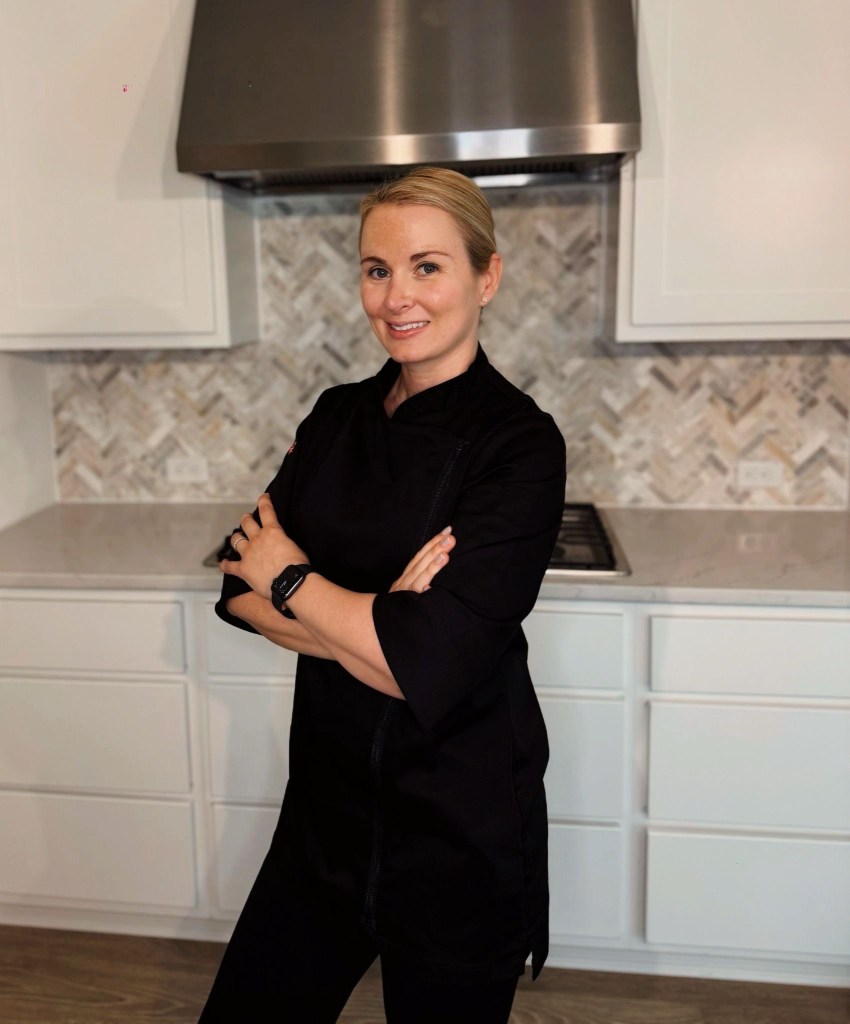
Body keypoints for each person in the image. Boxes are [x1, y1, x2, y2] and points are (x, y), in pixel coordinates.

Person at [198, 166, 566, 1024]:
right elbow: (237, 586)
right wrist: (378, 621)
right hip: (323, 819)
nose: (396, 297)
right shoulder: (335, 417)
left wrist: (295, 579)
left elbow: (420, 663)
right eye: (377, 269)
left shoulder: (520, 447)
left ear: (487, 277)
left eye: (427, 266)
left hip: (458, 835)